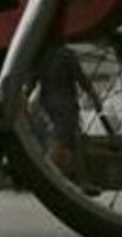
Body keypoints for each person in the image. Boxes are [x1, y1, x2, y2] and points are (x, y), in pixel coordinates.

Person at [37, 45, 101, 197]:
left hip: (48, 101)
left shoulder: (41, 54)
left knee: (73, 142)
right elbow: (81, 78)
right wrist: (94, 96)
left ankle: (80, 181)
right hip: (65, 102)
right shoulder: (66, 54)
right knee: (63, 141)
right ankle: (46, 176)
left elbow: (33, 79)